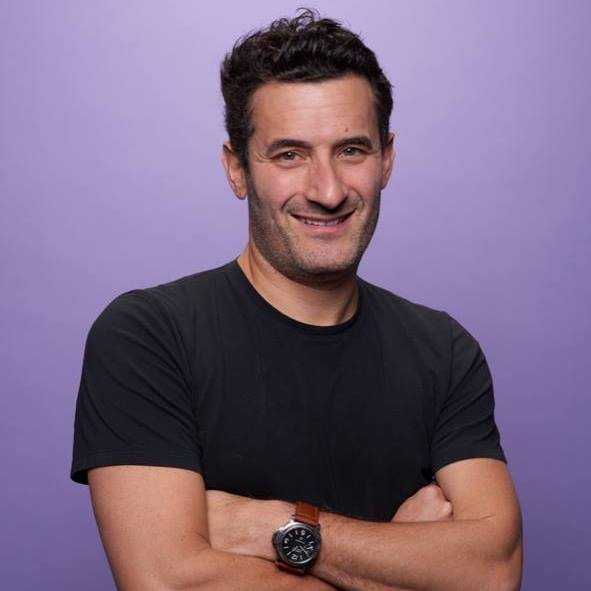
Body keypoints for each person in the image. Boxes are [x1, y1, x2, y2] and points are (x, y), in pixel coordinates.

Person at [70, 7, 523, 590]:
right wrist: (406, 566)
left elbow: (492, 572)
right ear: (237, 169)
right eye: (289, 154)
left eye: (352, 151)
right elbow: (168, 582)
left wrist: (268, 526)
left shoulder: (445, 350)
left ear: (387, 159)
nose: (327, 190)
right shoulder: (148, 336)